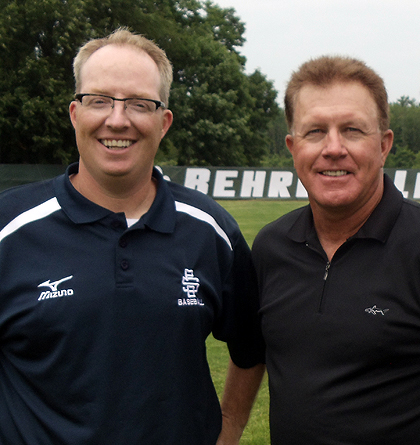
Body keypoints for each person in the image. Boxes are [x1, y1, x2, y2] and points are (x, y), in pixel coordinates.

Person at [0, 28, 265, 444]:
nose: (117, 119)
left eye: (139, 104)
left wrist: (227, 431)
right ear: (74, 113)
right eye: (99, 100)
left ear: (164, 122)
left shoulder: (210, 230)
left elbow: (251, 348)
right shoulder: (9, 229)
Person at [252, 55, 420, 445]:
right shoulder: (271, 248)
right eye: (315, 132)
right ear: (292, 147)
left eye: (352, 130)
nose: (333, 148)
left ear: (384, 145)